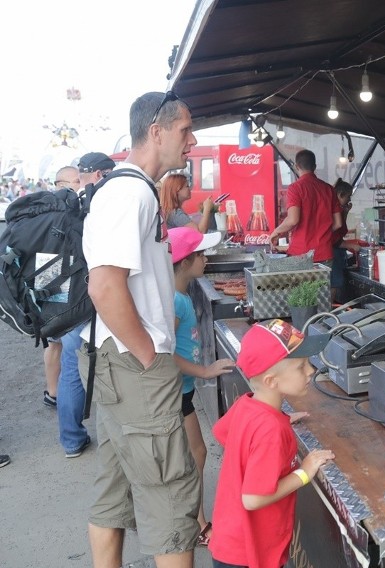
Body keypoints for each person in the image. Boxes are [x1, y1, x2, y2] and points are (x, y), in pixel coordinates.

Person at [81, 91, 200, 568]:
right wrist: (150, 355)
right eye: (185, 130)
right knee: (170, 496)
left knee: (114, 490)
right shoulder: (129, 193)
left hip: (117, 364)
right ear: (157, 132)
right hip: (134, 367)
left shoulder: (137, 191)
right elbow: (104, 287)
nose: (191, 141)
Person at [209, 319, 336, 568]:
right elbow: (253, 499)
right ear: (271, 381)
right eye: (300, 367)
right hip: (248, 553)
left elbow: (220, 432)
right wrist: (304, 472)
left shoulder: (247, 404)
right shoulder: (271, 430)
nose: (311, 371)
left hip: (230, 540)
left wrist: (282, 419)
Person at [169, 226, 235, 546]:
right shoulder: (175, 302)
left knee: (193, 452)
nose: (206, 259)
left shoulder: (179, 294)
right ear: (184, 261)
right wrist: (205, 371)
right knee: (194, 452)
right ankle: (196, 521)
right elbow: (163, 355)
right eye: (201, 254)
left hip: (182, 390)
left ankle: (191, 517)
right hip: (175, 391)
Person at [56, 153, 116, 458]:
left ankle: (71, 440)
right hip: (87, 295)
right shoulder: (95, 203)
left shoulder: (62, 204)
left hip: (63, 296)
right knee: (98, 363)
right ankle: (111, 437)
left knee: (69, 367)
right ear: (99, 173)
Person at [40, 166, 83, 409]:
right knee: (60, 338)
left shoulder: (43, 206)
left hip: (46, 271)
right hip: (56, 273)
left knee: (53, 339)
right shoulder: (63, 204)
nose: (80, 184)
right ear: (63, 183)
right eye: (77, 180)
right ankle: (56, 392)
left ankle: (54, 390)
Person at [268, 150, 342, 263]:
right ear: (315, 166)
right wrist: (322, 231)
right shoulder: (329, 189)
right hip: (324, 253)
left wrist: (276, 232)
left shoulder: (295, 188)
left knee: (301, 282)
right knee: (323, 281)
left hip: (301, 254)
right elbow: (338, 224)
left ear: (297, 166)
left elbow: (293, 220)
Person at [330, 178, 360, 303]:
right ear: (340, 195)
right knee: (335, 283)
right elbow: (334, 239)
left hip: (338, 253)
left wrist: (346, 212)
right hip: (333, 252)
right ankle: (330, 309)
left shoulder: (339, 209)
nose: (349, 200)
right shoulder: (331, 209)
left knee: (338, 283)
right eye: (348, 197)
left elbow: (341, 229)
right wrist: (352, 246)